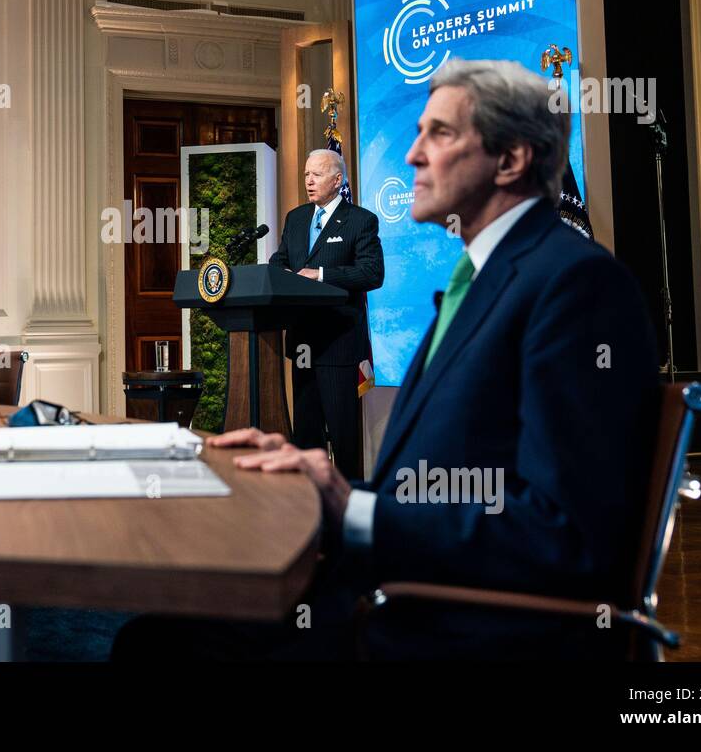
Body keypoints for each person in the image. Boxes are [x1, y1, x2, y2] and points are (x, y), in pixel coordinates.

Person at [113, 59, 658, 660]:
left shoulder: (576, 287)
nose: (412, 155)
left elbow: (567, 540)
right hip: (396, 586)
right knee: (160, 624)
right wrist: (315, 484)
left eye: (439, 134)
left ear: (511, 160)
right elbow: (428, 484)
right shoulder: (479, 279)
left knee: (155, 646)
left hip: (443, 627)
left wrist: (352, 508)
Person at [268, 148, 384, 478]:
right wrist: (276, 276)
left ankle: (348, 509)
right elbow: (281, 262)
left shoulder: (361, 220)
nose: (308, 180)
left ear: (337, 180)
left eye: (316, 174)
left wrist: (318, 274)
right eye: (306, 174)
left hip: (340, 346)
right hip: (303, 345)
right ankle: (311, 512)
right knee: (306, 438)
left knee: (344, 439)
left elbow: (372, 273)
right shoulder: (297, 218)